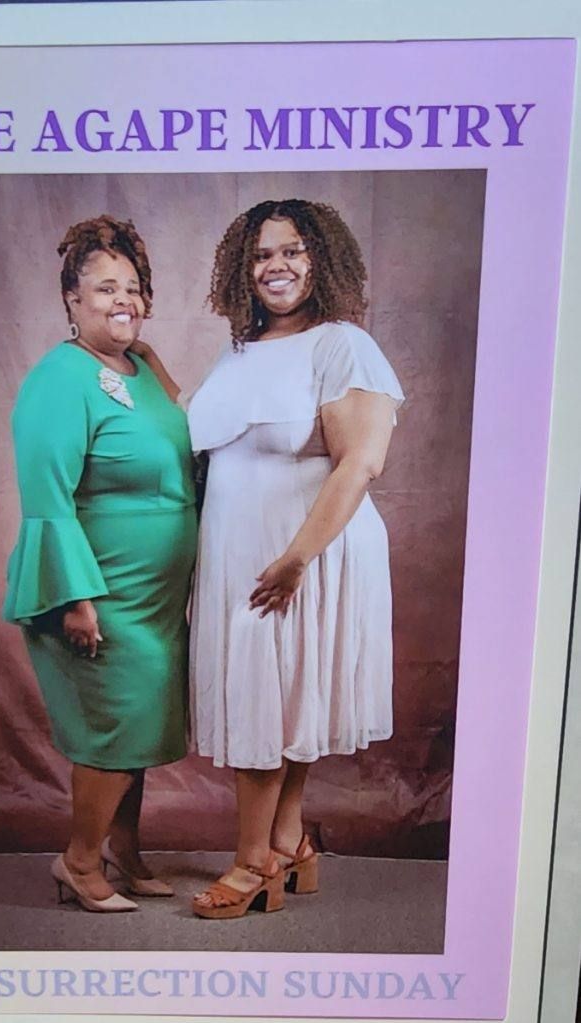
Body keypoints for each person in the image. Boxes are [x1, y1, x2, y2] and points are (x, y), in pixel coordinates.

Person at [186, 198, 405, 919]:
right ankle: (287, 841)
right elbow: (209, 438)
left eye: (291, 251)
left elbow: (360, 462)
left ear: (321, 259)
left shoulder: (343, 345)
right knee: (278, 696)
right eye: (260, 255)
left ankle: (253, 861)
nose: (273, 266)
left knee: (272, 697)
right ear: (240, 268)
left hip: (302, 551)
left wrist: (296, 559)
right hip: (239, 552)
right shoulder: (238, 350)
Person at [3, 215, 197, 912]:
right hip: (99, 593)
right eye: (106, 287)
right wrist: (74, 596)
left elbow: (180, 443)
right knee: (114, 729)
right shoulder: (59, 378)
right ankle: (79, 864)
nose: (124, 299)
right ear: (72, 299)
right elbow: (46, 497)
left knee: (136, 727)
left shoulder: (141, 367)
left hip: (152, 599)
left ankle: (124, 851)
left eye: (133, 287)